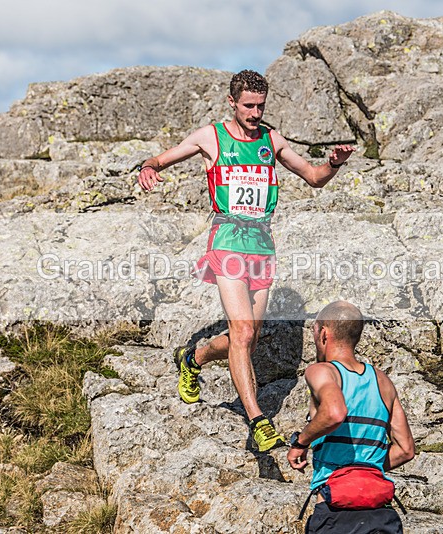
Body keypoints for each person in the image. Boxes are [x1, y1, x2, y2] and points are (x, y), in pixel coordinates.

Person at [137, 70, 355, 452]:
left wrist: (333, 163)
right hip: (227, 239)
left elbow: (314, 177)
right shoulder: (212, 137)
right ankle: (257, 419)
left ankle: (193, 358)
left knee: (247, 339)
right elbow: (162, 158)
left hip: (262, 245)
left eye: (261, 106)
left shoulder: (272, 139)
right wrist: (149, 167)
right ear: (232, 103)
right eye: (249, 106)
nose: (255, 113)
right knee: (242, 333)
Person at [287, 301, 415, 533]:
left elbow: (334, 412)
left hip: (336, 513)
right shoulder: (382, 381)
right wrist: (365, 468)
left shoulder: (322, 371)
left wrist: (300, 443)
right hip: (380, 515)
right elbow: (406, 449)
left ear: (323, 333)